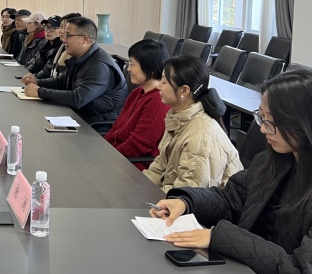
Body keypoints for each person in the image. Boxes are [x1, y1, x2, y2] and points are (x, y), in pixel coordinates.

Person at [151, 70, 312, 274]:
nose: (263, 130)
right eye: (261, 117)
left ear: (305, 123)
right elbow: (231, 200)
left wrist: (220, 238)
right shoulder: (274, 160)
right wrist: (187, 202)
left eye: (271, 122)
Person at [142, 55, 241, 192]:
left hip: (186, 201)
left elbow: (186, 192)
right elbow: (160, 165)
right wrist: (140, 187)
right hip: (169, 194)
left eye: (164, 82)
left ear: (184, 90)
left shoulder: (199, 137)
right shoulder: (177, 117)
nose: (158, 86)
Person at [24, 16, 128, 125]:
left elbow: (78, 98)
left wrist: (40, 92)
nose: (63, 40)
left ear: (85, 39)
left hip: (97, 125)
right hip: (81, 116)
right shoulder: (80, 57)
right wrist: (37, 82)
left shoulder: (100, 66)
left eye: (68, 36)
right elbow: (61, 81)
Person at [103, 40, 170, 169]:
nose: (128, 69)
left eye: (132, 64)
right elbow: (116, 127)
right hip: (119, 157)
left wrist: (109, 156)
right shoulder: (137, 92)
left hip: (135, 166)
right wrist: (103, 148)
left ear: (150, 68)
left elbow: (138, 146)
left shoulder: (158, 101)